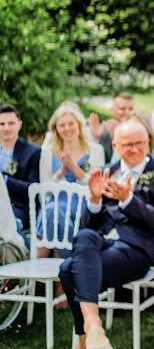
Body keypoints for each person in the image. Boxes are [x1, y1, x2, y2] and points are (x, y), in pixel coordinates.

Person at [41, 119, 154, 349]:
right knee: (84, 238)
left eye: (140, 143)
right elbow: (86, 228)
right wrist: (93, 200)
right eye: (128, 144)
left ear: (147, 143)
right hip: (99, 248)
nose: (135, 149)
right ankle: (93, 328)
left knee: (68, 270)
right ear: (115, 145)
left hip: (135, 252)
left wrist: (128, 199)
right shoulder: (105, 172)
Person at [37, 103, 105, 258]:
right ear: (56, 129)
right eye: (62, 125)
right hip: (55, 202)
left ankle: (35, 273)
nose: (67, 128)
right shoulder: (48, 152)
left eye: (70, 124)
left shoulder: (95, 150)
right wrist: (61, 172)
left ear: (79, 125)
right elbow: (44, 191)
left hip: (82, 204)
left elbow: (96, 187)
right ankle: (63, 276)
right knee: (52, 211)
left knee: (51, 215)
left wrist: (73, 168)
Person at [0, 104, 41, 237]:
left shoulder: (33, 152)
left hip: (17, 207)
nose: (6, 128)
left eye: (11, 123)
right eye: (2, 124)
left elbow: (33, 188)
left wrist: (4, 180)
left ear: (19, 124)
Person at [89, 93, 135, 164]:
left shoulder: (140, 131)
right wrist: (96, 138)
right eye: (122, 108)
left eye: (131, 109)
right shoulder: (104, 132)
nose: (127, 112)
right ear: (112, 110)